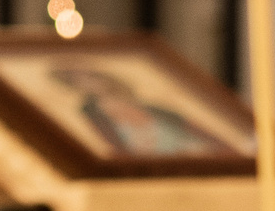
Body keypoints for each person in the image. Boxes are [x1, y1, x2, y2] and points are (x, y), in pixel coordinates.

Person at [51, 65, 231, 156]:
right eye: (77, 80)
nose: (90, 83)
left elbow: (209, 139)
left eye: (91, 76)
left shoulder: (153, 109)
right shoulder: (95, 116)